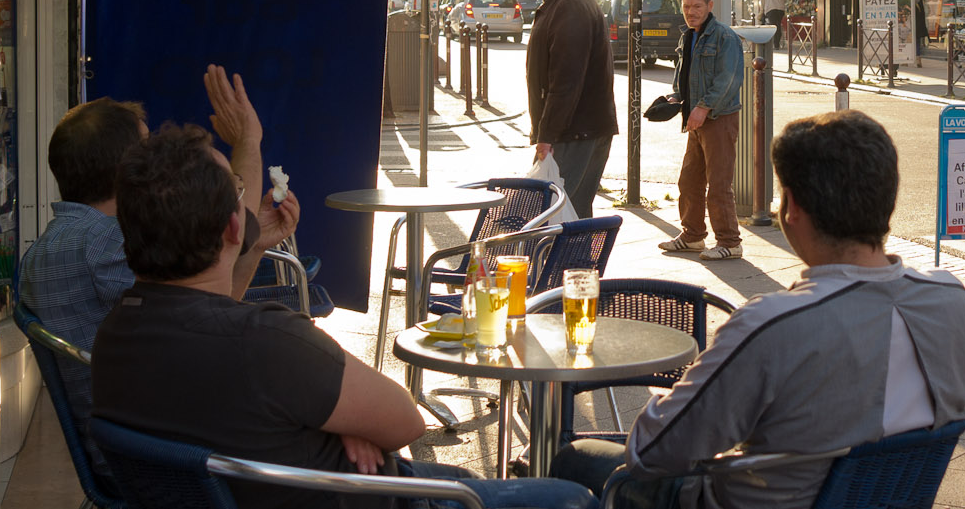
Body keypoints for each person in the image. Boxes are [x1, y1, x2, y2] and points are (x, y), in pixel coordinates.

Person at [91, 123, 597, 509]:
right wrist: (344, 422)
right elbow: (403, 420)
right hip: (386, 498)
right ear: (229, 227)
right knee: (572, 496)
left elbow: (210, 318)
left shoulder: (116, 332)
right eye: (239, 196)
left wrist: (250, 249)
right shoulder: (267, 341)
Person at [553, 111, 965, 508]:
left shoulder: (775, 325)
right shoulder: (950, 301)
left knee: (576, 457)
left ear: (790, 207)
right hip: (887, 497)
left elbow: (651, 451)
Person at [19, 66, 300, 428]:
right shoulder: (102, 242)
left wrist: (252, 247)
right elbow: (235, 222)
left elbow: (211, 306)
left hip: (140, 440)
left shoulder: (46, 249)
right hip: (165, 449)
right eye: (149, 150)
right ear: (130, 171)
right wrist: (247, 142)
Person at [526, 0, 618, 219]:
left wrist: (547, 135)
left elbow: (566, 80)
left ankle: (569, 263)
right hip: (581, 129)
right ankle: (579, 263)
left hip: (574, 132)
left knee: (554, 216)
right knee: (573, 213)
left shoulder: (570, 4)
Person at [658, 0, 744, 260]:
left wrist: (704, 107)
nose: (691, 12)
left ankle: (730, 243)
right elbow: (684, 74)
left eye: (696, 6)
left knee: (719, 184)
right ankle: (693, 236)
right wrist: (676, 98)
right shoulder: (689, 36)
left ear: (710, 6)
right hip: (696, 118)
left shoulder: (724, 37)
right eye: (686, 7)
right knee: (689, 180)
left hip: (718, 118)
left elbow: (729, 79)